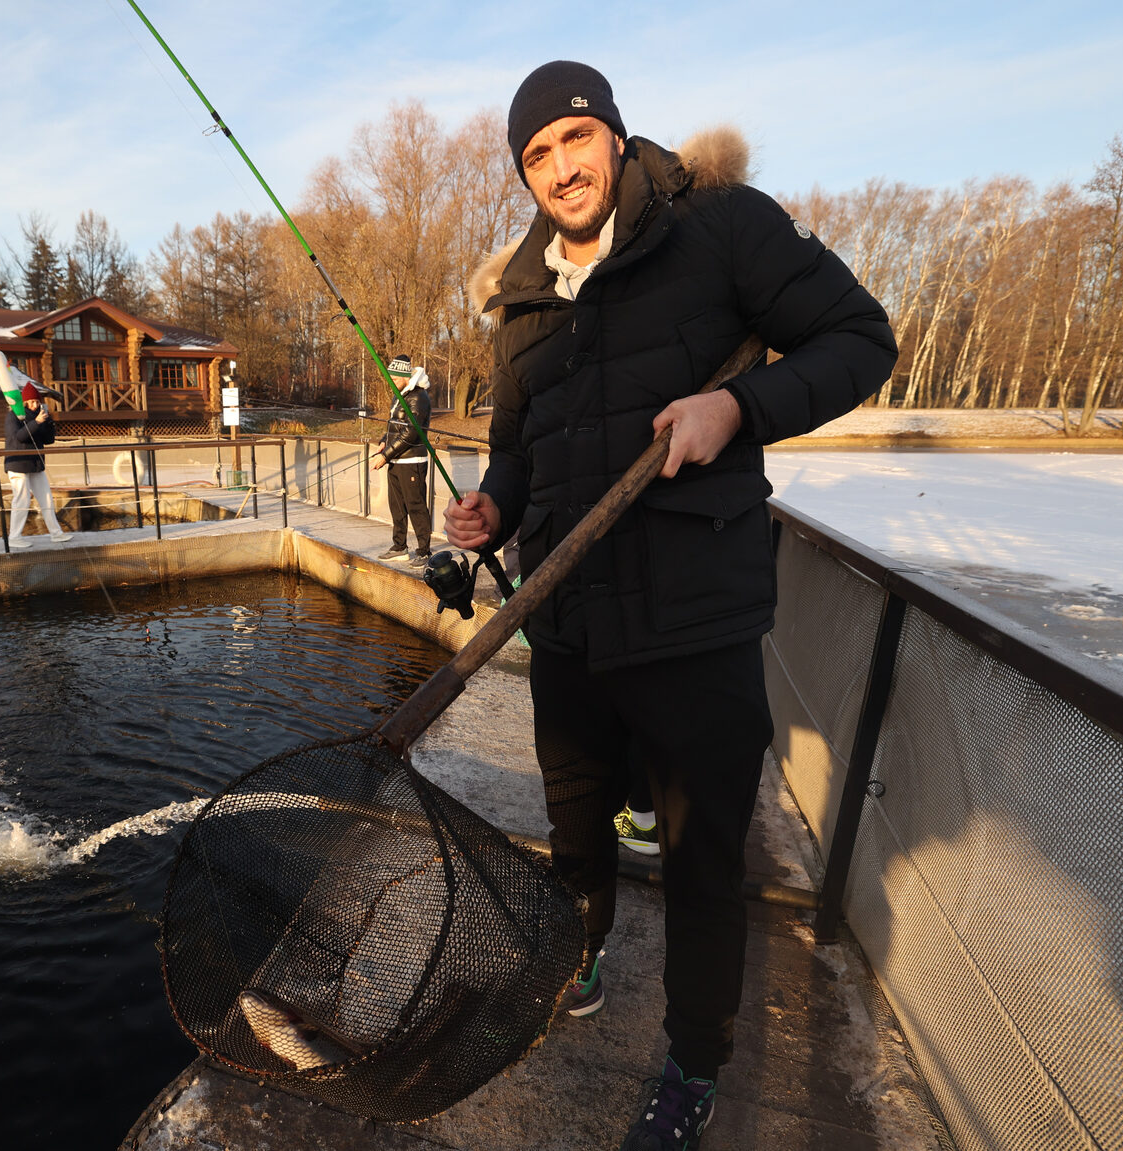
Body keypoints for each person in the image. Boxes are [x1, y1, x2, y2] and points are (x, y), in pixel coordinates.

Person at [443, 61, 896, 1150]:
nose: (560, 167)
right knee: (574, 831)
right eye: (536, 155)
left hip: (695, 626)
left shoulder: (722, 228)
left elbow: (860, 339)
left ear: (612, 134)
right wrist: (494, 506)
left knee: (701, 865)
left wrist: (736, 407)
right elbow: (520, 448)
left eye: (572, 138)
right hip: (568, 627)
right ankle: (579, 958)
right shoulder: (520, 300)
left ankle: (694, 1063)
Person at [372, 354, 435, 567]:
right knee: (397, 506)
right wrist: (383, 442)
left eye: (395, 379)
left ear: (405, 376)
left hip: (412, 461)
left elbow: (411, 434)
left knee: (416, 506)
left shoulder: (418, 397)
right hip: (395, 461)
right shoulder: (400, 394)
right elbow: (393, 425)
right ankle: (399, 547)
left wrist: (385, 456)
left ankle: (424, 551)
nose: (392, 383)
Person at [4, 382, 71, 547]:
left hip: (35, 464)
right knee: (22, 499)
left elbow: (49, 440)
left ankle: (56, 533)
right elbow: (19, 436)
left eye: (37, 401)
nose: (35, 404)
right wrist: (37, 422)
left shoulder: (39, 416)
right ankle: (14, 537)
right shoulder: (14, 416)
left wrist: (48, 422)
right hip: (17, 464)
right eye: (32, 401)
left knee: (46, 498)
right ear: (25, 402)